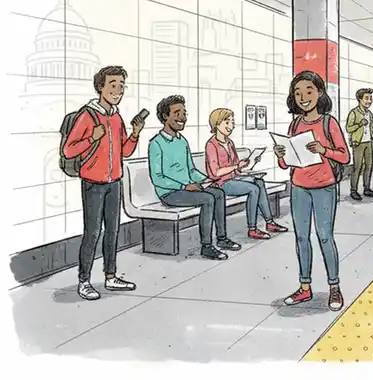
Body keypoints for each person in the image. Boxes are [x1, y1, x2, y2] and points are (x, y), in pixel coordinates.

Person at [63, 66, 145, 300]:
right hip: (93, 184)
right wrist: (92, 137)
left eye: (121, 85)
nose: (118, 90)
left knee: (113, 231)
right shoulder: (88, 115)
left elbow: (125, 152)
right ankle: (84, 281)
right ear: (100, 87)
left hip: (114, 182)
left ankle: (111, 276)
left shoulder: (117, 117)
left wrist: (135, 133)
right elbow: (69, 150)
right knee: (92, 233)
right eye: (113, 85)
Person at [275, 71, 350, 309]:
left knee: (325, 236)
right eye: (297, 93)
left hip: (324, 187)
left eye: (308, 91)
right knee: (301, 237)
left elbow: (345, 156)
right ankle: (304, 287)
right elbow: (287, 162)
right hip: (299, 186)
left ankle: (334, 288)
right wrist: (281, 157)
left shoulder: (329, 123)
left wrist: (323, 149)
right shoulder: (295, 123)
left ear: (319, 93)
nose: (303, 97)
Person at [149, 95, 240, 261]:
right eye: (177, 113)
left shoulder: (182, 141)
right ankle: (206, 246)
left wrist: (207, 180)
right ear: (165, 116)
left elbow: (191, 170)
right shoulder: (156, 144)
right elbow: (157, 178)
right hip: (170, 193)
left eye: (184, 112)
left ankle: (221, 238)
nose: (182, 117)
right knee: (207, 199)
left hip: (187, 189)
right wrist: (185, 187)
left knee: (218, 193)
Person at [204, 108, 288, 240]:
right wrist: (236, 167)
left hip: (234, 178)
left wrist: (250, 163)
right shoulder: (211, 145)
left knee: (259, 182)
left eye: (232, 122)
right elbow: (215, 173)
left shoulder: (229, 143)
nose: (230, 126)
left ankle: (269, 222)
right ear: (216, 123)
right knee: (253, 189)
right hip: (221, 184)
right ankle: (252, 229)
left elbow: (236, 169)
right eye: (227, 122)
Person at [345, 88, 373, 201]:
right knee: (357, 167)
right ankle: (353, 190)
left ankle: (366, 188)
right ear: (360, 99)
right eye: (366, 98)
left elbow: (371, 127)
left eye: (370, 98)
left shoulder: (369, 113)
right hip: (358, 143)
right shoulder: (354, 113)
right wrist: (359, 124)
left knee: (369, 165)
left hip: (368, 142)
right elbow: (348, 128)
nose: (369, 101)